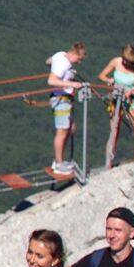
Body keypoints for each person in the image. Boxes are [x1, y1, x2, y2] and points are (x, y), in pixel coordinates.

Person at [46, 42, 88, 177]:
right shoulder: (64, 63)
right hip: (61, 98)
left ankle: (59, 160)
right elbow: (51, 80)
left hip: (62, 98)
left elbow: (48, 61)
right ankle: (58, 164)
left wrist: (68, 72)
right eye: (79, 59)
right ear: (74, 54)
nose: (79, 62)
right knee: (62, 130)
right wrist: (71, 83)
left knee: (70, 128)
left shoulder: (60, 55)